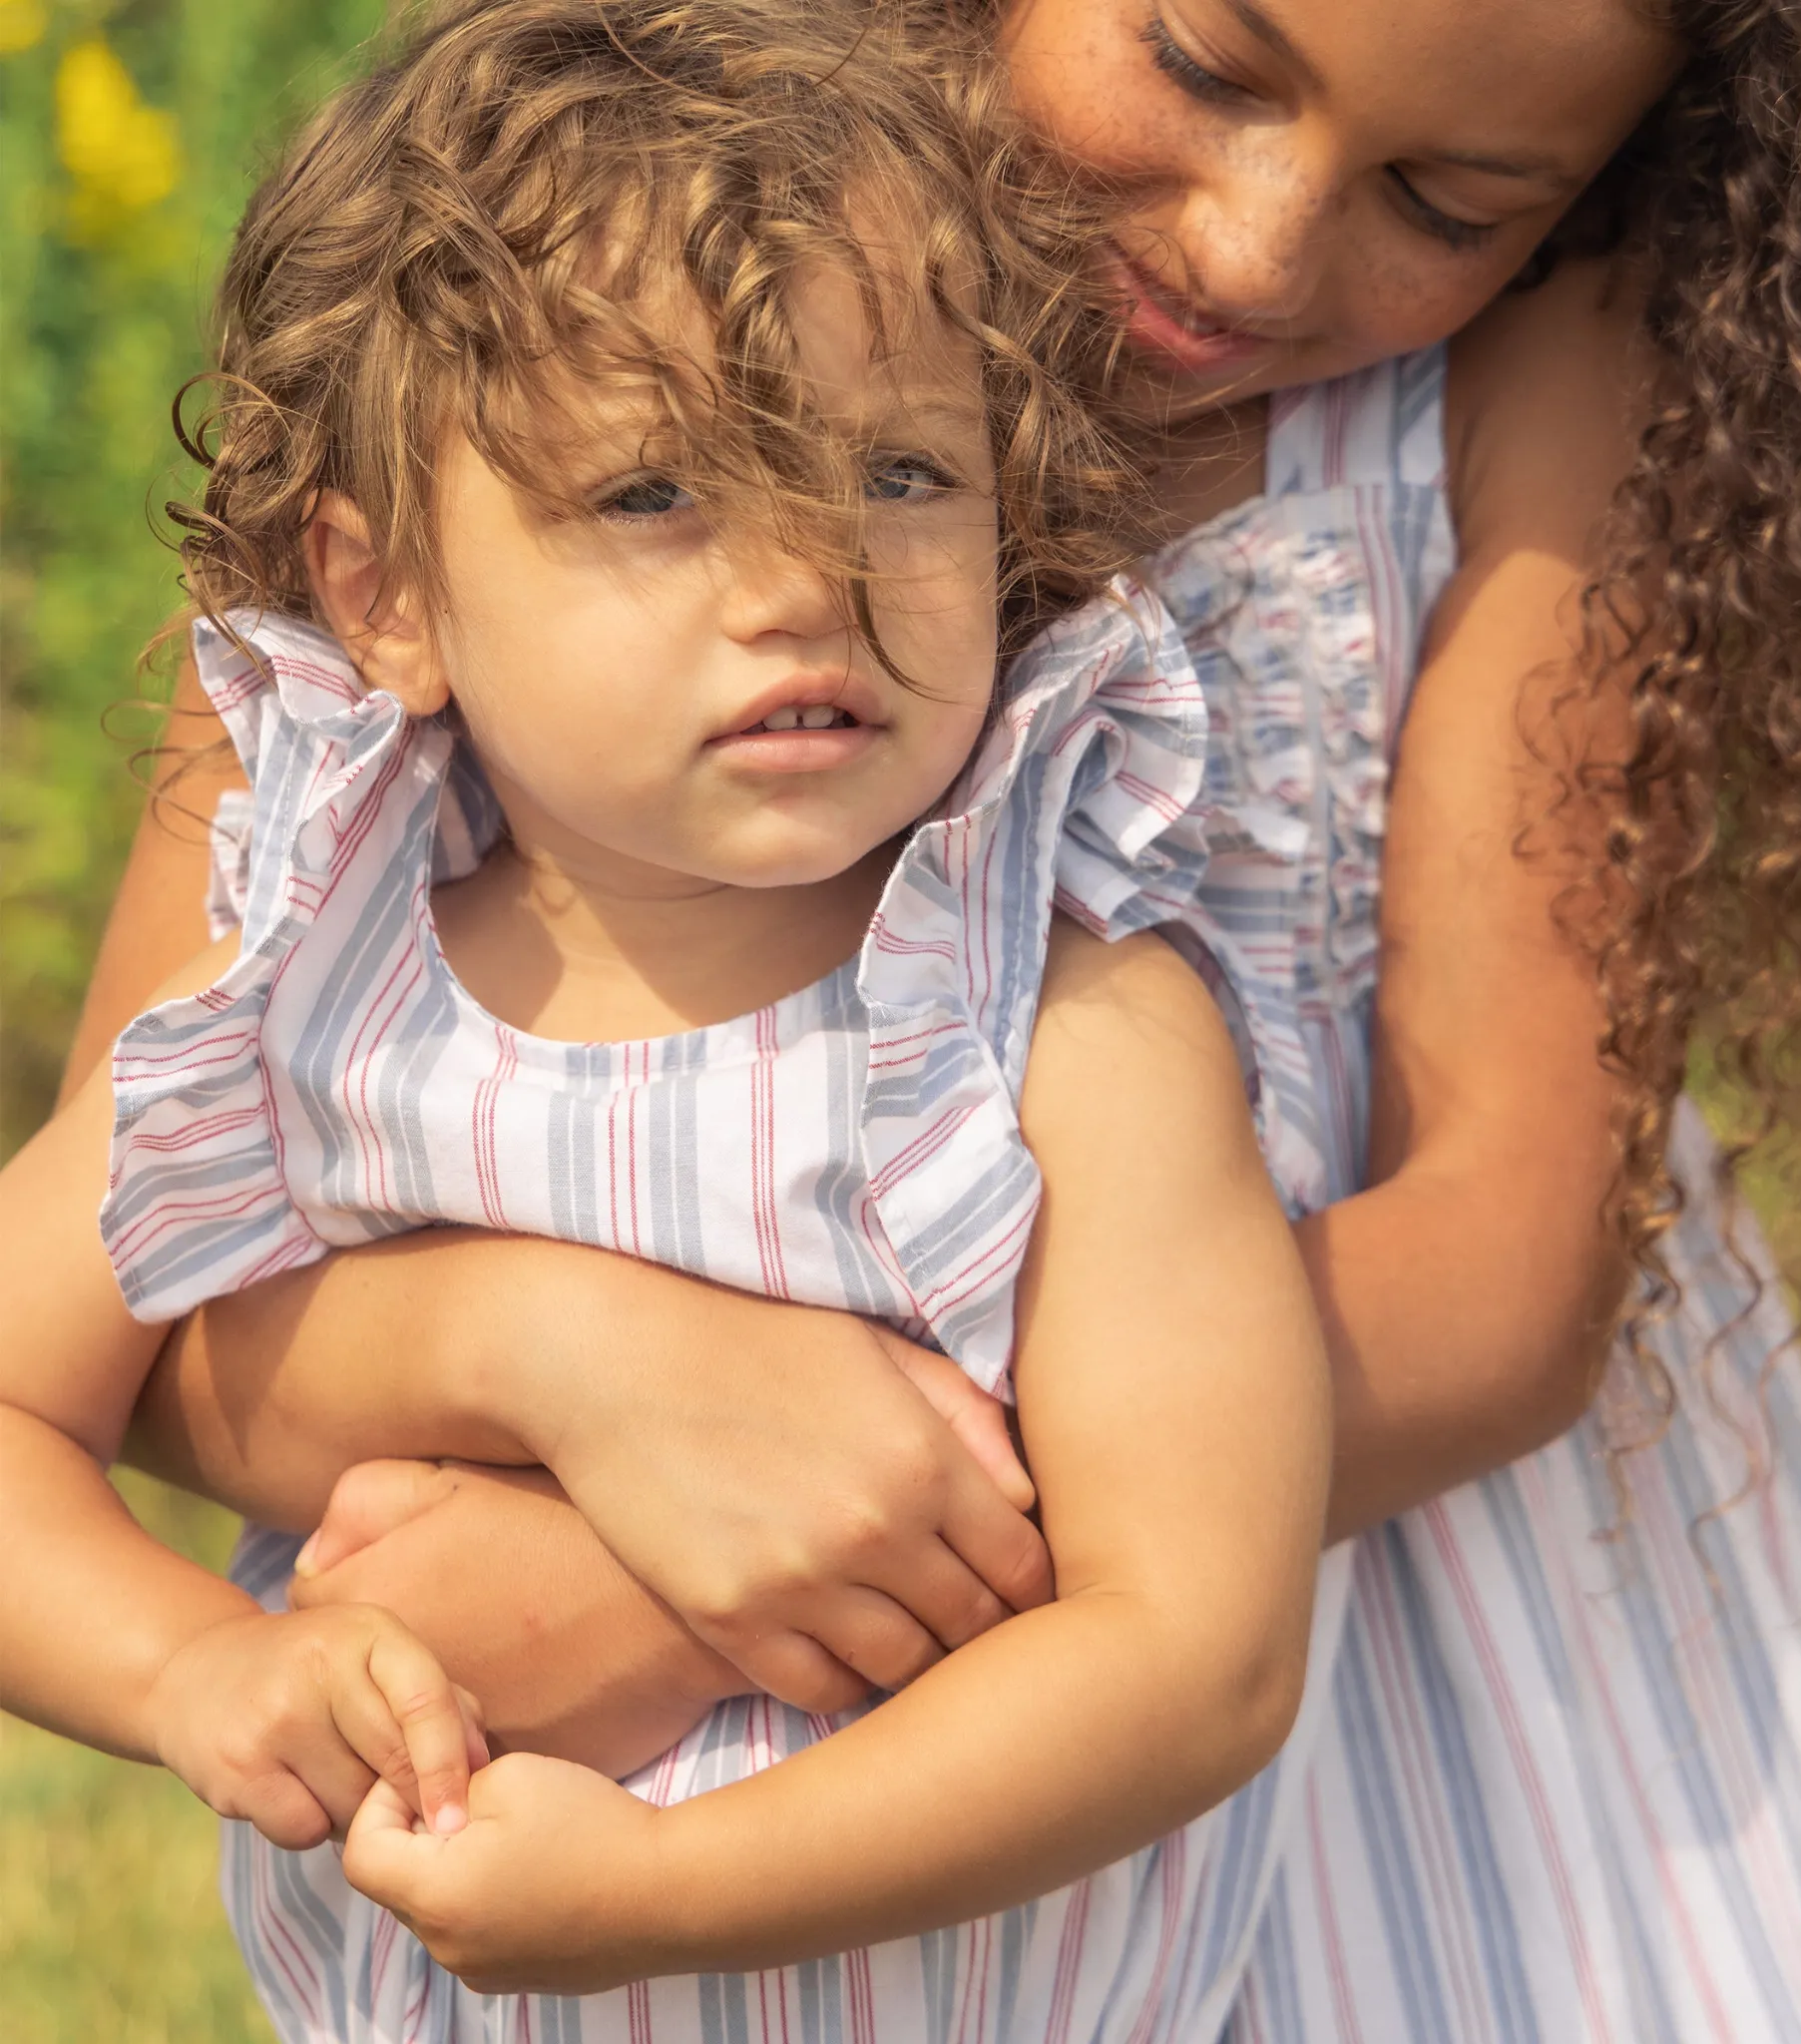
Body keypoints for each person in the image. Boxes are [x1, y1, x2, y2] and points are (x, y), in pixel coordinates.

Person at [64, 0, 1801, 2039]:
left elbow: (1507, 1274)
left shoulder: (1539, 366)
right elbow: (153, 1246)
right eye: (1198, 64)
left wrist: (684, 1577)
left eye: (1448, 199)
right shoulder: (506, 269)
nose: (1257, 248)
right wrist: (549, 1360)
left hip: (1413, 1632)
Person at [0, 0, 1345, 2030]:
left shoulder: (1070, 1038)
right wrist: (192, 1665)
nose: (806, 575)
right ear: (388, 602)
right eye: (653, 493)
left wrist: (670, 1886)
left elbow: (1201, 1648)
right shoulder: (302, 990)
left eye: (897, 467)